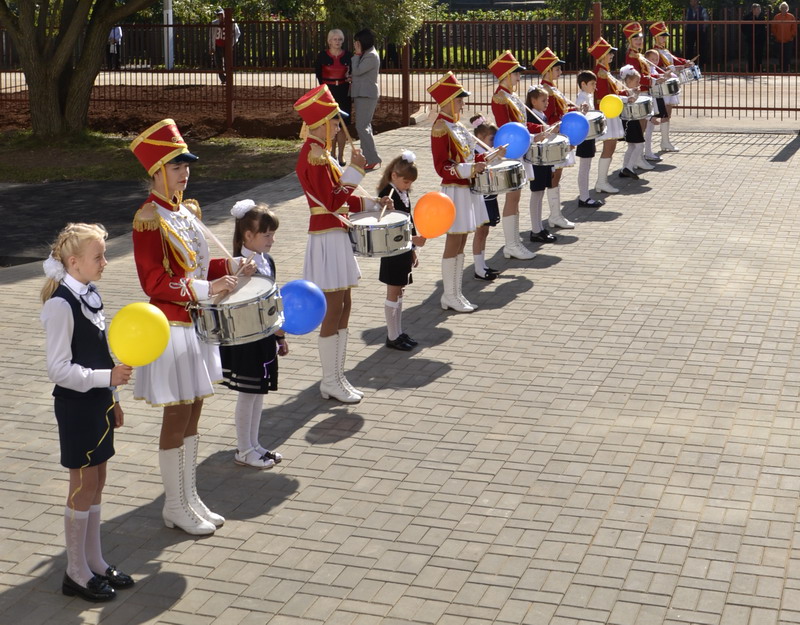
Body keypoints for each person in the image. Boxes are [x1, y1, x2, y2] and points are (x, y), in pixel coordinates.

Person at [131, 119, 239, 536]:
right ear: (157, 170)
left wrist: (228, 266)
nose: (185, 171)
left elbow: (195, 264)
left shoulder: (186, 210)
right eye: (177, 165)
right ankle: (174, 504)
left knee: (194, 412)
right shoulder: (148, 218)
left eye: (187, 164)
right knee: (177, 416)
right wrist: (205, 287)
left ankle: (190, 496)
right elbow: (153, 282)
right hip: (172, 328)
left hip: (196, 324)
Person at [40, 223, 135, 602]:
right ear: (74, 262)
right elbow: (58, 369)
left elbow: (100, 352)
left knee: (98, 481)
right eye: (99, 257)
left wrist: (112, 397)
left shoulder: (90, 294)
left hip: (97, 401)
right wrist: (106, 377)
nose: (105, 262)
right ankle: (75, 572)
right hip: (76, 407)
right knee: (80, 487)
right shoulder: (60, 304)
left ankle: (94, 560)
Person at [293, 84, 389, 402]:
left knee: (345, 305)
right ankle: (329, 380)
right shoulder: (314, 156)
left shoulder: (323, 155)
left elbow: (344, 201)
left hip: (336, 234)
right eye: (334, 120)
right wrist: (356, 170)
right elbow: (333, 202)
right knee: (333, 308)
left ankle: (338, 376)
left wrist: (374, 204)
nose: (338, 126)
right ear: (321, 122)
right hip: (326, 237)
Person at [220, 200, 287, 469]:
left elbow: (273, 297)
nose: (272, 240)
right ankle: (244, 448)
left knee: (259, 392)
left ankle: (254, 444)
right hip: (246, 338)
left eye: (273, 234)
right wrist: (238, 274)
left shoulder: (266, 260)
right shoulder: (236, 265)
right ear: (248, 235)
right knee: (248, 393)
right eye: (266, 234)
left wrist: (280, 336)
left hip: (265, 335)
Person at [428, 72, 493, 313]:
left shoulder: (456, 125)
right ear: (446, 101)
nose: (462, 103)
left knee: (463, 241)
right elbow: (441, 165)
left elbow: (469, 154)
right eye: (458, 99)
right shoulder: (440, 127)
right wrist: (468, 168)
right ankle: (449, 294)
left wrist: (486, 157)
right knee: (454, 241)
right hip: (455, 189)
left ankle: (456, 293)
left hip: (467, 187)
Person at [488, 50, 537, 260]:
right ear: (506, 74)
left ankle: (514, 241)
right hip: (510, 152)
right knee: (513, 197)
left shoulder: (511, 96)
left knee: (515, 198)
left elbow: (523, 125)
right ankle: (511, 244)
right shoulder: (500, 98)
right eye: (516, 73)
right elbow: (506, 128)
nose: (519, 76)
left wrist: (538, 131)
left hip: (518, 149)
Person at [376, 151, 424, 350]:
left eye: (410, 183)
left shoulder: (401, 192)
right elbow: (389, 228)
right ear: (394, 176)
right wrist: (412, 239)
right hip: (393, 250)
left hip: (403, 249)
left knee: (401, 290)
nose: (408, 186)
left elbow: (408, 221)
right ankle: (392, 335)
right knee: (393, 291)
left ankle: (398, 331)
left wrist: (412, 248)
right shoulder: (387, 195)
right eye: (406, 182)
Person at [533, 47, 579, 230]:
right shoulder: (546, 90)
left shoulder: (551, 88)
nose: (560, 71)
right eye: (556, 68)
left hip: (560, 134)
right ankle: (554, 215)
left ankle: (555, 214)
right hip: (554, 136)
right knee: (555, 174)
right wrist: (562, 128)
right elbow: (549, 116)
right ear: (547, 71)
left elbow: (562, 111)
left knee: (557, 174)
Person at [525, 86, 564, 242]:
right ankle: (535, 230)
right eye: (543, 100)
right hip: (536, 159)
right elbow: (530, 130)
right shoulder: (531, 116)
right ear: (533, 101)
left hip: (543, 158)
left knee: (540, 193)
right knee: (536, 193)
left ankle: (539, 228)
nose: (547, 103)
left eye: (547, 99)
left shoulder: (541, 115)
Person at [589, 37, 625, 194]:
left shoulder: (605, 71)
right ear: (602, 55)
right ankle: (601, 181)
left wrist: (626, 93)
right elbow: (604, 97)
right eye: (609, 53)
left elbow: (613, 92)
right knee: (609, 147)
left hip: (611, 111)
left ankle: (602, 181)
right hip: (607, 112)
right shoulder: (600, 73)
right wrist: (623, 97)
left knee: (611, 146)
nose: (612, 56)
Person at [651, 21, 693, 153]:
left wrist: (685, 62)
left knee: (667, 113)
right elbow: (659, 67)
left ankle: (665, 141)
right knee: (663, 113)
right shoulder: (655, 51)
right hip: (663, 83)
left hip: (668, 83)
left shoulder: (664, 50)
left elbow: (674, 59)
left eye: (665, 36)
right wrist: (675, 67)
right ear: (656, 37)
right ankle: (663, 142)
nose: (664, 38)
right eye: (662, 36)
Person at [470, 116, 504, 277]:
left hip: (490, 195)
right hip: (480, 197)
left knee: (485, 231)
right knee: (480, 231)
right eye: (491, 139)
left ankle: (482, 264)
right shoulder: (475, 152)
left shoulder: (489, 151)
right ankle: (478, 268)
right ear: (481, 138)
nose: (493, 142)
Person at [314, 29, 353, 166]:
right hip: (328, 92)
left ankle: (341, 156)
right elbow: (318, 74)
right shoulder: (322, 56)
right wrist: (324, 91)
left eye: (340, 39)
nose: (337, 42)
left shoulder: (348, 56)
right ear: (329, 41)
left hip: (343, 91)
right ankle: (332, 154)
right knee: (331, 125)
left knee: (342, 125)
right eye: (335, 39)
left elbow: (353, 72)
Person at [623, 22, 656, 172]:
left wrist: (656, 76)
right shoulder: (631, 56)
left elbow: (646, 74)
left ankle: (637, 158)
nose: (639, 41)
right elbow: (636, 77)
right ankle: (638, 158)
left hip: (644, 91)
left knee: (642, 127)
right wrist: (653, 80)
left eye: (640, 38)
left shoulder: (638, 54)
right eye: (635, 38)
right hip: (639, 92)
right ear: (630, 40)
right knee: (640, 128)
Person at [351, 28, 382, 171]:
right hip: (362, 94)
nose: (355, 44)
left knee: (362, 127)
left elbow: (357, 71)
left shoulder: (370, 56)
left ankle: (372, 159)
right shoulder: (367, 54)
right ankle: (368, 158)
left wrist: (357, 54)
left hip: (366, 95)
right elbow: (358, 74)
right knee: (365, 126)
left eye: (357, 42)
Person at [574, 71, 605, 208]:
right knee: (584, 167)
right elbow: (581, 115)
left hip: (588, 135)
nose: (595, 86)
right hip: (585, 136)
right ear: (583, 84)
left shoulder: (588, 95)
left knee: (586, 166)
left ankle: (585, 196)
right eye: (592, 84)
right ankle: (584, 197)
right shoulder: (582, 98)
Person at [618, 65, 647, 180]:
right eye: (636, 81)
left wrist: (634, 93)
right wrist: (632, 96)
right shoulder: (623, 93)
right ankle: (628, 168)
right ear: (628, 81)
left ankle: (624, 169)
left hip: (630, 120)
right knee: (639, 145)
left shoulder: (627, 91)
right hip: (630, 120)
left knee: (631, 146)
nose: (638, 84)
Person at [209, 7, 241, 85]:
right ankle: (223, 79)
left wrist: (231, 43)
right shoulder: (214, 23)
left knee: (228, 63)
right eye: (218, 15)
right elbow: (211, 36)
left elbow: (237, 33)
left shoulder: (231, 22)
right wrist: (211, 47)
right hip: (217, 45)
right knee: (219, 64)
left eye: (221, 14)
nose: (220, 16)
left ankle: (229, 78)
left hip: (227, 46)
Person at [742, 3, 769, 71]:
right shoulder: (747, 17)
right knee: (750, 54)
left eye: (760, 9)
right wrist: (748, 35)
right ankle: (750, 70)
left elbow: (763, 28)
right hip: (750, 39)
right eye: (758, 9)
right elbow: (743, 28)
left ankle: (759, 69)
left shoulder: (761, 17)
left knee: (759, 54)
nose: (759, 10)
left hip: (760, 39)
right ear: (753, 9)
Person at [772, 2, 797, 71]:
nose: (784, 9)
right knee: (780, 56)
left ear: (787, 8)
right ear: (780, 8)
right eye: (782, 7)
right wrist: (776, 35)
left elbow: (794, 28)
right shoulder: (777, 17)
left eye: (785, 7)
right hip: (779, 40)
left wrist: (791, 35)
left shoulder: (791, 16)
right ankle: (781, 69)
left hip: (789, 40)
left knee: (787, 56)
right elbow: (773, 27)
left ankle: (787, 70)